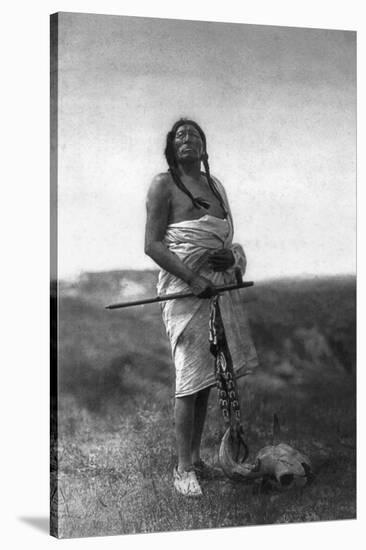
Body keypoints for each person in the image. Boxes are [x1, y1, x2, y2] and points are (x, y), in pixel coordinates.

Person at [144, 118, 258, 496]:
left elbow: (225, 239)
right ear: (171, 147)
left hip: (218, 291)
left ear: (204, 147)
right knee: (188, 379)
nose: (187, 138)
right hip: (184, 291)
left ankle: (194, 459)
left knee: (206, 377)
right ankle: (181, 470)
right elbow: (153, 245)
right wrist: (193, 280)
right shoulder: (163, 185)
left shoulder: (216, 186)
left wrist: (228, 258)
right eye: (179, 135)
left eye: (194, 134)